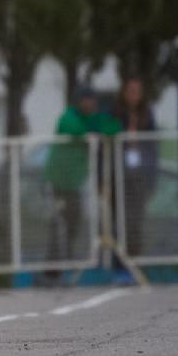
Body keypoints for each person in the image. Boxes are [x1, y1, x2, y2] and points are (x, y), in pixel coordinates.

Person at [43, 86, 121, 279]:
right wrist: (96, 129)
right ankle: (51, 271)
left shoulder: (93, 119)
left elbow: (114, 128)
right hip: (56, 182)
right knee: (57, 224)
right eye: (87, 100)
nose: (90, 104)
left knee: (73, 222)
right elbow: (77, 130)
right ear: (79, 101)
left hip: (73, 184)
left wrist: (101, 127)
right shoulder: (68, 116)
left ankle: (64, 266)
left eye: (93, 100)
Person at [111, 77, 157, 278]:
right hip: (119, 176)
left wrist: (152, 179)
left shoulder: (147, 115)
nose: (134, 95)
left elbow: (153, 148)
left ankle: (134, 265)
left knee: (136, 222)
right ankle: (119, 266)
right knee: (118, 222)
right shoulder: (116, 114)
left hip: (139, 175)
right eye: (130, 90)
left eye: (137, 91)